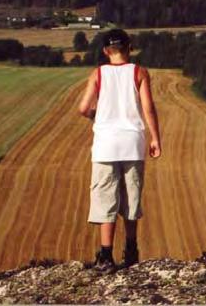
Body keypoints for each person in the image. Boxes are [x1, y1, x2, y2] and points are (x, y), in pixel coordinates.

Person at [77, 29, 162, 272]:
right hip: (132, 144)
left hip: (105, 145)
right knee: (131, 199)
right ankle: (132, 249)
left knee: (106, 199)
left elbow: (83, 107)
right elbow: (148, 108)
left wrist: (97, 116)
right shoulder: (139, 72)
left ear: (105, 51)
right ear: (129, 47)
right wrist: (155, 138)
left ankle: (106, 254)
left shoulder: (98, 73)